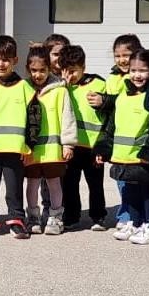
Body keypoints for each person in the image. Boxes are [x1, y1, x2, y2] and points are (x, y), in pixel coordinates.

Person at [95, 48, 149, 244]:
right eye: (133, 70)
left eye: (142, 70)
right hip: (124, 155)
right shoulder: (123, 96)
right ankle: (135, 222)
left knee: (148, 192)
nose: (137, 75)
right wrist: (103, 149)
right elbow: (112, 125)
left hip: (142, 155)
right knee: (130, 191)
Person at [0, 34, 36, 238]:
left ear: (15, 60)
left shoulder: (25, 88)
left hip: (15, 150)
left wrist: (30, 145)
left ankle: (17, 218)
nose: (1, 64)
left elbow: (34, 120)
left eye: (6, 59)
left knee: (14, 188)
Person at [23, 44, 77, 234]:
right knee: (32, 183)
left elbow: (67, 118)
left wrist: (68, 144)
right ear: (27, 70)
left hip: (54, 150)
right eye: (34, 70)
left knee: (54, 183)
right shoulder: (24, 89)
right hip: (32, 150)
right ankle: (33, 217)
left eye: (42, 70)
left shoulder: (60, 91)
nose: (38, 75)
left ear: (49, 68)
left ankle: (55, 217)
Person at [59, 44, 108, 232]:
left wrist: (102, 147)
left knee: (95, 184)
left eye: (73, 71)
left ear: (83, 67)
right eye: (65, 71)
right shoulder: (63, 87)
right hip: (71, 146)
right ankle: (71, 217)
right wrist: (63, 83)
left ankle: (98, 216)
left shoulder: (99, 84)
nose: (69, 76)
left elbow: (109, 115)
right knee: (70, 184)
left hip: (93, 147)